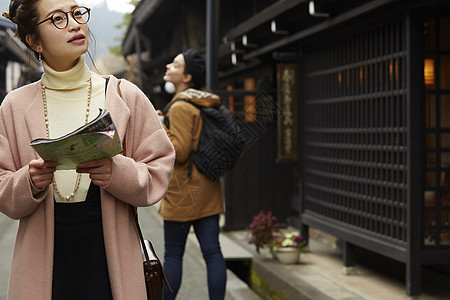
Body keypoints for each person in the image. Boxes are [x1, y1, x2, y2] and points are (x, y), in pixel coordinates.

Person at [0, 0, 175, 299]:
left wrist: (116, 171)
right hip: (44, 258)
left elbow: (159, 166)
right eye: (57, 18)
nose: (74, 23)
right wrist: (28, 181)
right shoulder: (14, 106)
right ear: (34, 41)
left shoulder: (123, 95)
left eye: (77, 12)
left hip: (110, 253)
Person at [158, 49, 227, 300]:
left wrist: (161, 129)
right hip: (208, 186)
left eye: (175, 64)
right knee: (212, 252)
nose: (168, 66)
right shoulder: (203, 100)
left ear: (187, 77)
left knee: (173, 253)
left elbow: (181, 151)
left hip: (184, 190)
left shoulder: (180, 106)